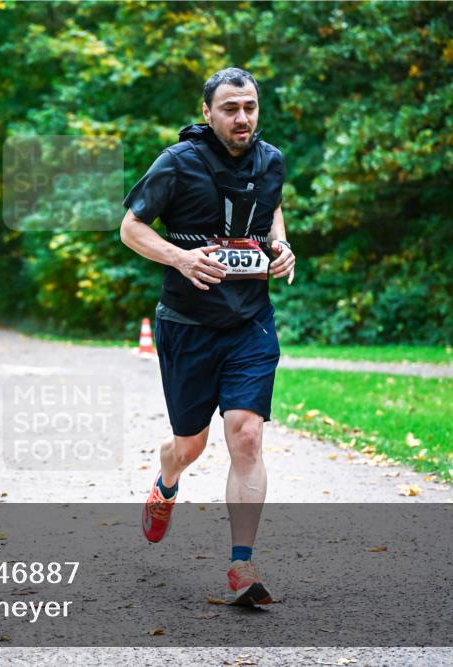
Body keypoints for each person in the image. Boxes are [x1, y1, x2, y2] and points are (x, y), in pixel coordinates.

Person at [120, 68, 295, 606]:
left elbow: (271, 212)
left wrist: (281, 245)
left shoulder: (271, 161)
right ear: (207, 113)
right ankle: (166, 481)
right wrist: (180, 256)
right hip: (188, 324)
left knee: (246, 435)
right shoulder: (177, 163)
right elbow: (131, 228)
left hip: (249, 321)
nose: (242, 118)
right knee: (189, 444)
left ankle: (241, 567)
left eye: (250, 107)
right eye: (229, 108)